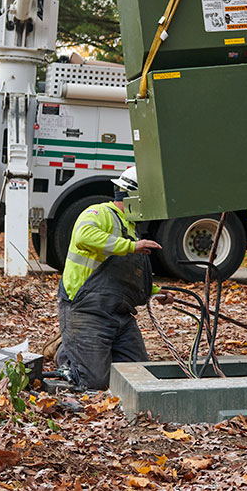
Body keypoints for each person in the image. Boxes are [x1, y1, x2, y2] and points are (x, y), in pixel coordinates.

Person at [56, 167, 171, 390]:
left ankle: (78, 346)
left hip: (119, 316)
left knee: (137, 376)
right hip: (86, 311)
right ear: (136, 198)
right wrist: (131, 246)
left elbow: (122, 276)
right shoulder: (99, 213)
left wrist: (156, 292)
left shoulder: (131, 229)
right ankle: (68, 353)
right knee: (95, 382)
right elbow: (83, 235)